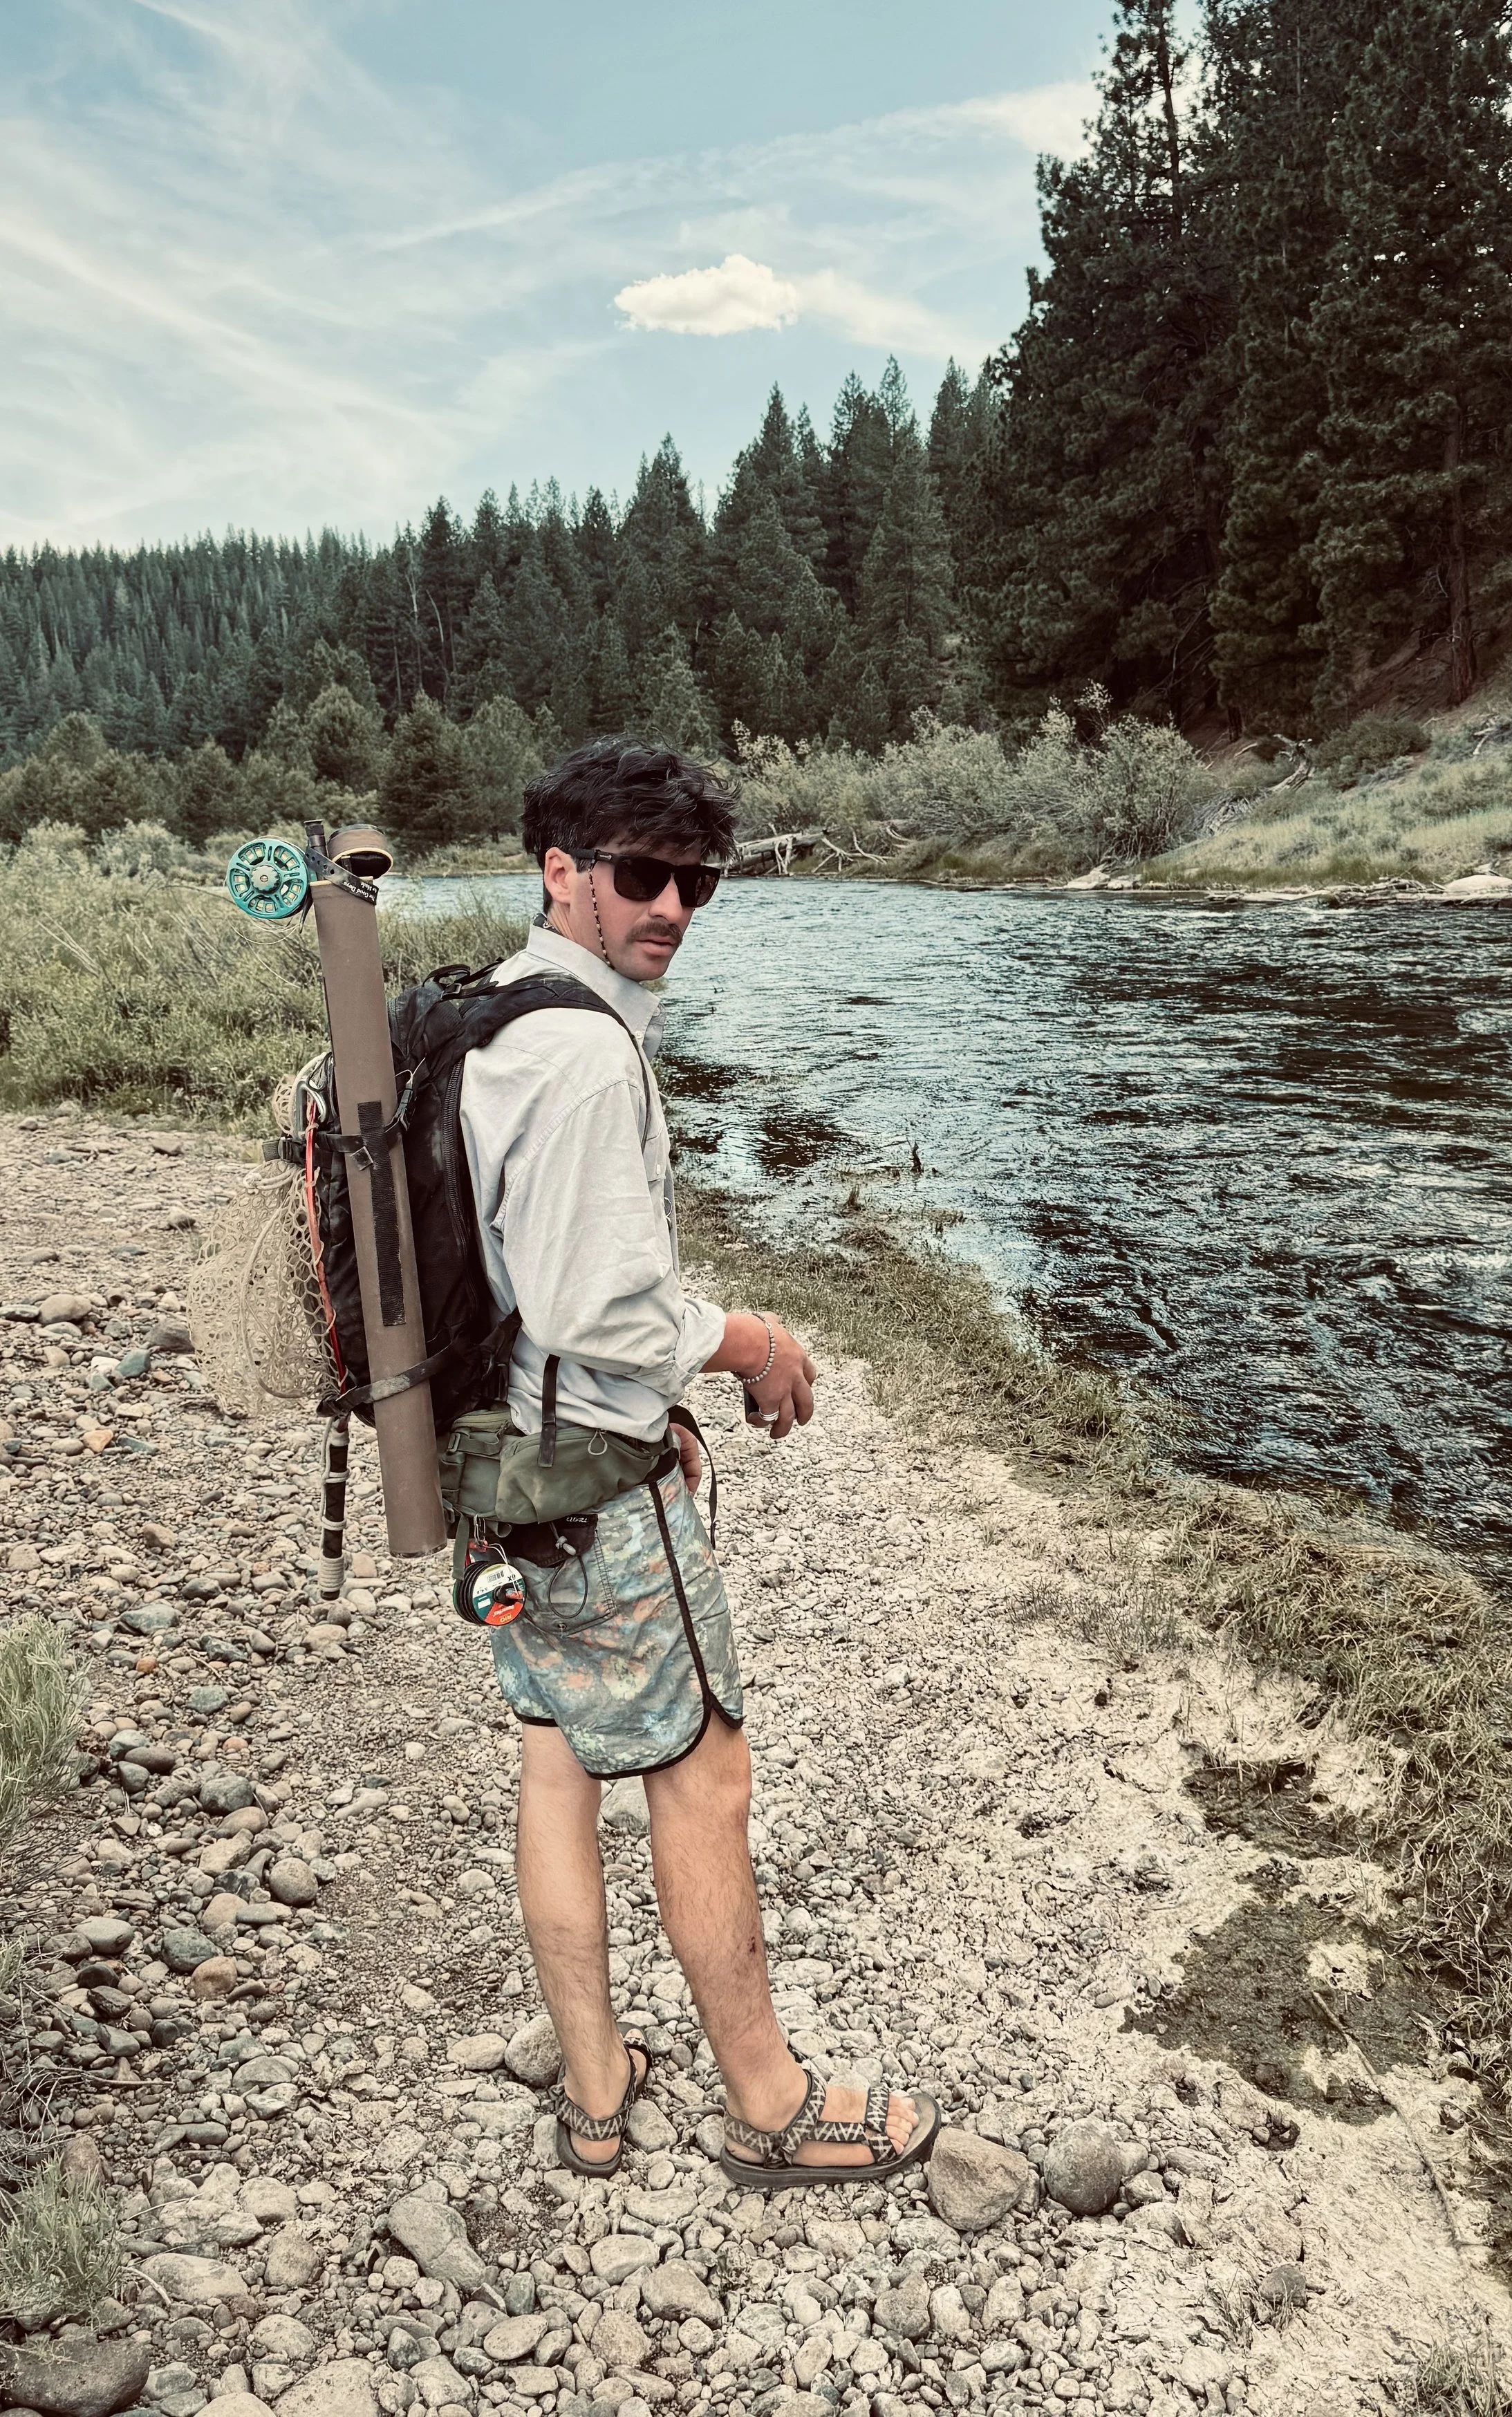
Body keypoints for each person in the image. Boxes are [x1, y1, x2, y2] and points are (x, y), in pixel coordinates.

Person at [457, 738, 940, 2188]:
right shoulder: (586, 1054)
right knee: (700, 1770)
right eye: (639, 874)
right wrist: (747, 1337)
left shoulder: (485, 1012)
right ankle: (769, 2100)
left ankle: (597, 2089)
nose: (671, 903)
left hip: (492, 1464)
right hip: (588, 1481)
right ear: (561, 871)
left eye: (697, 880)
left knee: (556, 1755)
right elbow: (596, 1303)